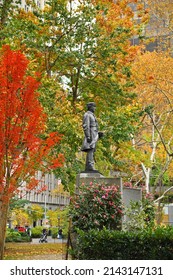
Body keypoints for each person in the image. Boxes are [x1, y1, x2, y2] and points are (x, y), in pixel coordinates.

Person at [81, 102, 103, 171]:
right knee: (90, 149)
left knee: (92, 150)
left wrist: (98, 133)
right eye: (94, 107)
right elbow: (85, 126)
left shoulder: (92, 115)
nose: (95, 108)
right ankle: (90, 165)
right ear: (90, 107)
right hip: (90, 135)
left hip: (94, 134)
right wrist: (88, 136)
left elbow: (94, 126)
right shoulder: (87, 115)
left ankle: (89, 166)